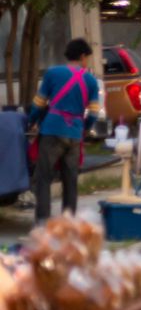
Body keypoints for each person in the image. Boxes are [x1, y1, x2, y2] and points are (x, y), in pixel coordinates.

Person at [28, 38, 101, 222]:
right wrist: (84, 130)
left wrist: (31, 121)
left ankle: (43, 225)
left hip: (52, 130)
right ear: (83, 56)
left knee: (44, 179)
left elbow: (39, 104)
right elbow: (93, 113)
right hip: (75, 134)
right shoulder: (91, 81)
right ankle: (68, 228)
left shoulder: (53, 73)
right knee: (71, 182)